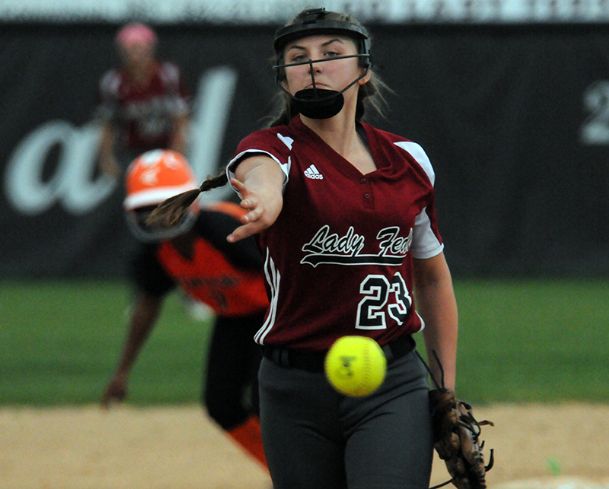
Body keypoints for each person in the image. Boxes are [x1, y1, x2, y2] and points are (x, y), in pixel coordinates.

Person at [149, 7, 458, 489]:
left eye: (332, 53)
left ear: (364, 68)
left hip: (390, 379)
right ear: (284, 79)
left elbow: (433, 278)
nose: (314, 64)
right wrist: (267, 197)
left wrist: (445, 390)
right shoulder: (272, 148)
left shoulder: (408, 161)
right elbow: (261, 170)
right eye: (299, 57)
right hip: (292, 388)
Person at [100, 149, 268, 469]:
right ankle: (283, 470)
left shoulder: (226, 230)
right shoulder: (156, 253)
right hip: (235, 318)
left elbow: (292, 274)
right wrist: (123, 371)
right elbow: (147, 305)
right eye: (149, 208)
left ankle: (310, 471)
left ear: (191, 200)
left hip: (279, 315)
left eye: (168, 203)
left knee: (270, 401)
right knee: (221, 404)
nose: (161, 215)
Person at [96, 23, 190, 178]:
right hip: (132, 150)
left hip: (165, 147)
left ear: (150, 48)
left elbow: (181, 118)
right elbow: (107, 123)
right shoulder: (113, 82)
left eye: (140, 48)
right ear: (122, 52)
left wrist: (177, 153)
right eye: (130, 49)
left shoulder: (167, 75)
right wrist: (106, 157)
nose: (136, 55)